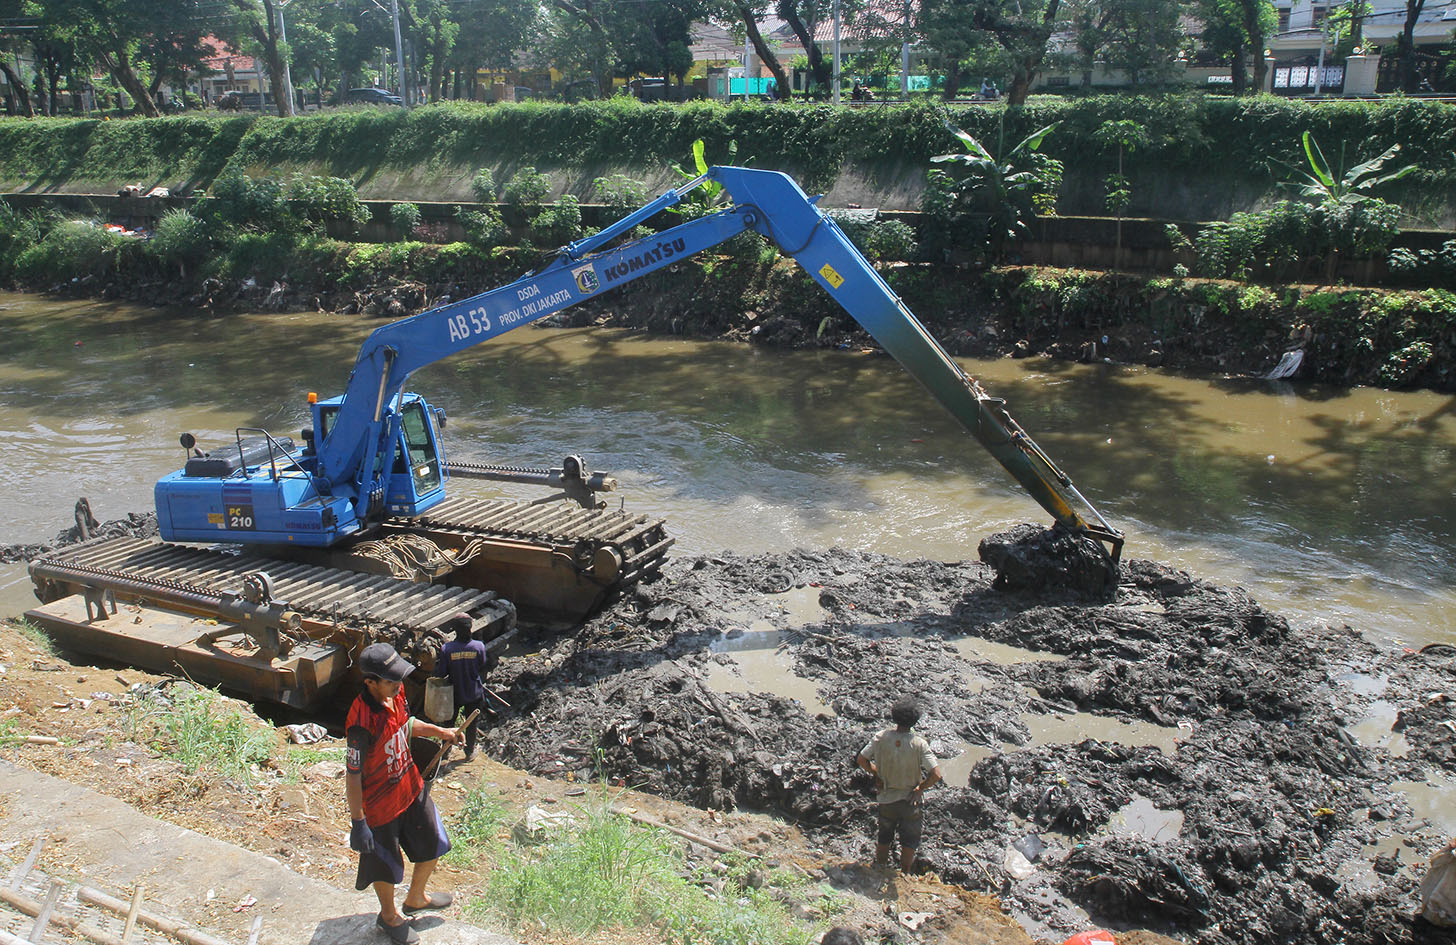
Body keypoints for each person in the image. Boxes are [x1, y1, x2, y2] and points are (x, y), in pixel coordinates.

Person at [346, 642, 461, 945]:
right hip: (380, 804)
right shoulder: (360, 723)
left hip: (409, 787)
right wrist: (359, 821)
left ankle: (416, 897)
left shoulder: (395, 697)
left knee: (434, 841)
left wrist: (443, 732)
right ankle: (388, 916)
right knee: (384, 864)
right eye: (390, 680)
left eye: (399, 679)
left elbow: (406, 725)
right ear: (370, 682)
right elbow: (353, 775)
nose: (398, 685)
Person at [856, 697, 942, 872]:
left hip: (886, 798)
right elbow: (936, 774)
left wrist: (876, 774)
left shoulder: (881, 737)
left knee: (884, 836)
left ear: (894, 717)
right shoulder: (919, 744)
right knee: (909, 841)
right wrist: (920, 789)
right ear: (915, 720)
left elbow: (861, 759)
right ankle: (905, 873)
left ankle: (880, 868)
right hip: (910, 801)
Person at [434, 612, 498, 761]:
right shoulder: (479, 647)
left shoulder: (447, 649)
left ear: (455, 630)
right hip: (473, 692)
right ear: (470, 628)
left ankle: (446, 750)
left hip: (454, 693)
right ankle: (469, 752)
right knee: (471, 724)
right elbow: (482, 665)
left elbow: (441, 673)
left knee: (449, 723)